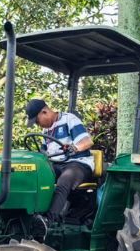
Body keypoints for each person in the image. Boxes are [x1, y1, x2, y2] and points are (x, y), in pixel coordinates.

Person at [24, 99, 93, 238]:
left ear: (44, 112)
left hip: (78, 164)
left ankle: (46, 221)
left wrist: (75, 148)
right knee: (37, 176)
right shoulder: (46, 131)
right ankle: (31, 216)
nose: (37, 125)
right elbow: (43, 155)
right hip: (56, 164)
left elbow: (87, 141)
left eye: (37, 121)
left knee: (65, 180)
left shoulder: (69, 119)